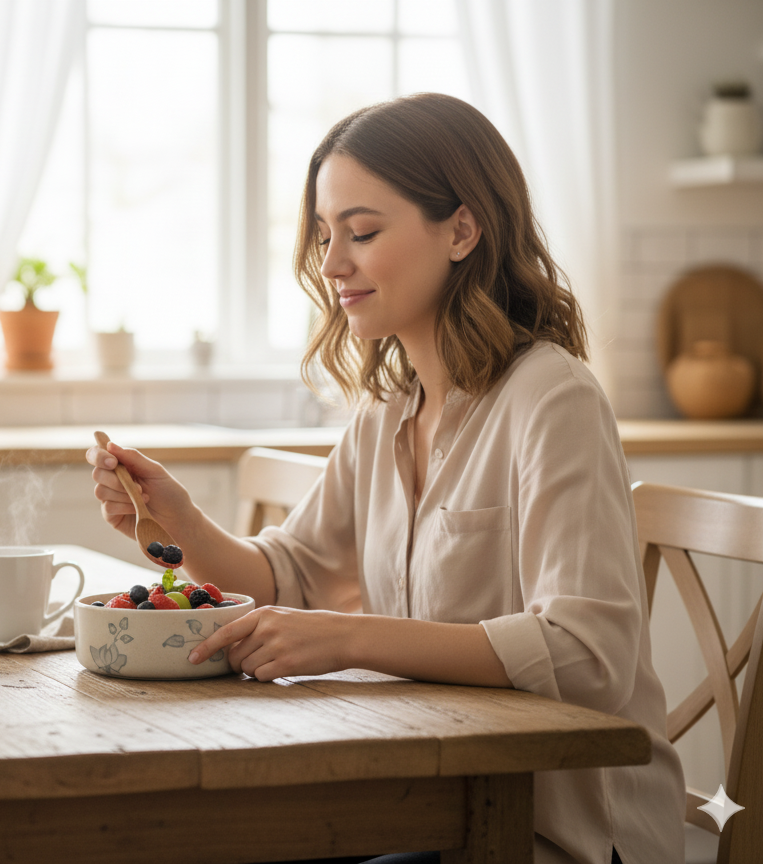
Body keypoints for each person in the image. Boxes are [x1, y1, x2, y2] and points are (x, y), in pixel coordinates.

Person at [85, 93, 685, 864]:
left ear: (463, 230)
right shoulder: (387, 411)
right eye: (327, 236)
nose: (333, 264)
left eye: (362, 232)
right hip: (426, 800)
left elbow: (587, 655)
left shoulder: (552, 397)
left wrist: (348, 639)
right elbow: (290, 575)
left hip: (548, 832)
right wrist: (180, 518)